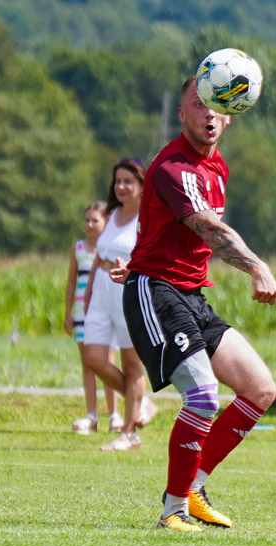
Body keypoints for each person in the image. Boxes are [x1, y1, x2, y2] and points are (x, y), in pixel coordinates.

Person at [109, 77, 276, 532]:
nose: (209, 115)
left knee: (260, 389)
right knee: (203, 396)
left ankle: (194, 488)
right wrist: (257, 267)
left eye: (217, 108)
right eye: (198, 106)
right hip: (157, 291)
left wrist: (143, 254)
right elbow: (210, 230)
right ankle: (173, 510)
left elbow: (165, 230)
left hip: (189, 294)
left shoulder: (217, 168)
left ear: (230, 114)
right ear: (182, 113)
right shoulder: (172, 167)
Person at [83, 159, 157, 451]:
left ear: (141, 186)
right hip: (102, 289)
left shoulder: (148, 219)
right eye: (118, 181)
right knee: (93, 358)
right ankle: (142, 401)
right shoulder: (111, 214)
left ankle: (129, 433)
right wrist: (88, 295)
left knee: (130, 363)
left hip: (129, 292)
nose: (121, 186)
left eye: (128, 181)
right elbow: (99, 256)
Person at [64, 201, 122, 433]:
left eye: (94, 220)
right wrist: (68, 313)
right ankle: (91, 415)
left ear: (106, 222)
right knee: (88, 363)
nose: (89, 224)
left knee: (107, 362)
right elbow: (71, 282)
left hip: (106, 312)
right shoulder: (78, 248)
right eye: (86, 219)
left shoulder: (111, 249)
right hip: (81, 314)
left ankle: (114, 415)